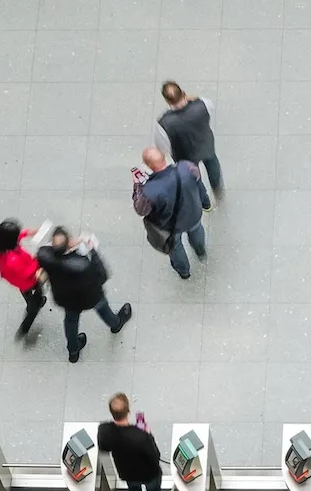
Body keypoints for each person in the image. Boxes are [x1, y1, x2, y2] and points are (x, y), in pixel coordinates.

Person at [38, 225, 131, 363]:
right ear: (69, 243)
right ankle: (116, 324)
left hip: (65, 298)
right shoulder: (83, 263)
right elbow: (102, 275)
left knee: (70, 321)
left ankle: (73, 350)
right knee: (103, 309)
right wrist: (92, 250)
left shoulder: (45, 256)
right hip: (90, 297)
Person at [133, 146, 209, 279]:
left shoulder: (149, 191)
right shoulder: (187, 167)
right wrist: (204, 201)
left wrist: (138, 185)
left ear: (148, 166)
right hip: (193, 214)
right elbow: (199, 185)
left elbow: (140, 210)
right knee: (197, 231)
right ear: (164, 157)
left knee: (175, 247)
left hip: (170, 226)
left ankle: (184, 271)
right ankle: (200, 251)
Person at [96, 393, 164, 491]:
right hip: (149, 473)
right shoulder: (141, 436)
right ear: (128, 411)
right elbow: (155, 456)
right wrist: (148, 434)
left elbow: (104, 446)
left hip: (126, 472)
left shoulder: (105, 430)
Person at [156, 82, 222, 199]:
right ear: (183, 93)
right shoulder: (203, 104)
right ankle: (217, 187)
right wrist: (195, 98)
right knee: (213, 165)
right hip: (206, 145)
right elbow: (210, 109)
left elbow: (163, 148)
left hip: (184, 155)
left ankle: (200, 196)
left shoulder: (163, 123)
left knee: (192, 177)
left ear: (167, 101)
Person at [0, 218, 48, 338]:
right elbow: (29, 273)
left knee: (26, 292)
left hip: (18, 280)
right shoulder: (12, 261)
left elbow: (7, 237)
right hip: (26, 280)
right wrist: (40, 267)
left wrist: (27, 233)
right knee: (34, 301)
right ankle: (25, 327)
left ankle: (32, 301)